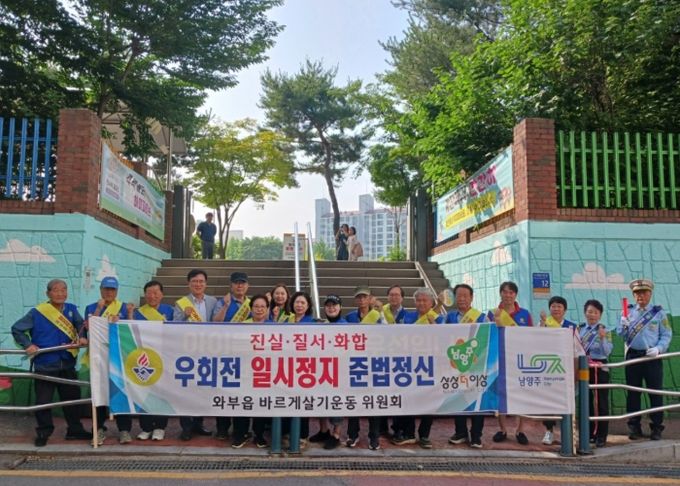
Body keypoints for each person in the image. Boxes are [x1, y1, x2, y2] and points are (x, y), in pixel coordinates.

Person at [11, 279, 91, 447]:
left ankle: (74, 430)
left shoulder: (71, 309)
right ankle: (43, 432)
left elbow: (80, 325)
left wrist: (82, 337)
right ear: (48, 293)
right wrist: (27, 345)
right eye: (56, 290)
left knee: (71, 398)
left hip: (67, 362)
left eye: (63, 290)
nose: (60, 293)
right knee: (43, 401)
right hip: (45, 363)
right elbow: (17, 329)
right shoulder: (37, 312)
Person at [617, 278, 672, 441]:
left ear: (650, 293)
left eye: (644, 292)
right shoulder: (627, 312)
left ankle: (657, 427)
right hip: (633, 356)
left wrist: (659, 349)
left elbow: (666, 334)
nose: (640, 296)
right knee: (633, 393)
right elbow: (621, 335)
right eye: (637, 293)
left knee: (655, 392)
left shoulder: (658, 313)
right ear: (634, 295)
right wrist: (623, 325)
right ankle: (634, 427)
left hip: (651, 356)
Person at [84, 276, 132, 446]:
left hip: (119, 358)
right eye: (106, 289)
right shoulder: (91, 307)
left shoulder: (123, 307)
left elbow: (130, 329)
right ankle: (98, 429)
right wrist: (99, 308)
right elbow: (89, 328)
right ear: (101, 290)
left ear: (117, 291)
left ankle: (124, 430)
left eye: (112, 289)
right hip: (99, 358)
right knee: (99, 393)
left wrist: (127, 315)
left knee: (121, 392)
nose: (109, 292)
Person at [393, 288, 443, 449]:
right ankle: (408, 433)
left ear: (431, 302)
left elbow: (444, 339)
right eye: (418, 300)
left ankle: (424, 435)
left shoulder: (440, 318)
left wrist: (435, 326)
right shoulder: (407, 317)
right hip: (410, 364)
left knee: (429, 401)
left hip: (431, 365)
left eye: (425, 300)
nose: (421, 303)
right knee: (409, 398)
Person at [173, 269, 218, 441]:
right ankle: (186, 427)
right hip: (187, 352)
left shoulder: (213, 301)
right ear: (189, 283)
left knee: (202, 389)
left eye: (201, 281)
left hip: (207, 351)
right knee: (186, 389)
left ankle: (198, 423)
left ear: (205, 284)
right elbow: (173, 326)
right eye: (194, 281)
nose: (198, 284)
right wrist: (184, 317)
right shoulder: (181, 303)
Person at [444, 283, 489, 449]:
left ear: (471, 298)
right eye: (458, 296)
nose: (462, 299)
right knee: (458, 397)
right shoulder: (449, 317)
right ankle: (460, 432)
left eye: (465, 296)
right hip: (455, 365)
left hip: (477, 365)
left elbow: (489, 338)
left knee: (477, 399)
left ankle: (476, 435)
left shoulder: (482, 318)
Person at [129, 280, 174, 442]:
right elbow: (131, 329)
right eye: (149, 293)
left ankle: (160, 427)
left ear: (162, 294)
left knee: (161, 393)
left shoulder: (170, 310)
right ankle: (146, 427)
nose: (152, 296)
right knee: (144, 393)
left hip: (163, 357)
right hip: (144, 358)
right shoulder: (138, 312)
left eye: (156, 292)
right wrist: (129, 314)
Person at [490, 281, 532, 445]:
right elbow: (488, 335)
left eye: (511, 292)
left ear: (515, 295)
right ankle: (502, 429)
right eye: (505, 292)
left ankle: (520, 430)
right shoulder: (493, 313)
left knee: (521, 394)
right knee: (500, 395)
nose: (508, 295)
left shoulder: (525, 314)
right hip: (499, 359)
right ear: (500, 293)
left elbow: (531, 335)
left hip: (519, 360)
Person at [213, 271, 252, 439]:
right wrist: (226, 306)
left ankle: (241, 429)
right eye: (236, 283)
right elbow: (215, 322)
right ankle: (222, 428)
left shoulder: (252, 304)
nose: (240, 286)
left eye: (242, 283)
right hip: (225, 352)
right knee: (223, 391)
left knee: (243, 392)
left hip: (246, 354)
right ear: (231, 285)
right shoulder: (222, 302)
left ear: (247, 286)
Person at [308, 295, 347, 450]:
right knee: (321, 399)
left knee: (336, 402)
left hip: (338, 371)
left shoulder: (345, 325)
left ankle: (336, 434)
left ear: (340, 307)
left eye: (334, 305)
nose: (331, 308)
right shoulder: (321, 325)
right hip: (321, 369)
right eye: (328, 306)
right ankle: (323, 430)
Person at [232, 294, 270, 449]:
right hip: (244, 371)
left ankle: (259, 435)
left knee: (260, 404)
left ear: (267, 309)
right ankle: (240, 434)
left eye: (262, 307)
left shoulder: (274, 327)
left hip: (264, 372)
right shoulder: (242, 326)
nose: (259, 309)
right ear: (251, 308)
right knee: (242, 403)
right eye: (256, 306)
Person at [538, 295, 576, 445]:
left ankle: (568, 432)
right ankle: (549, 431)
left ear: (564, 310)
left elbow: (576, 349)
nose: (556, 309)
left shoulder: (571, 327)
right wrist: (542, 324)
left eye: (559, 306)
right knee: (548, 401)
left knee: (566, 400)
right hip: (548, 367)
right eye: (553, 306)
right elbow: (537, 341)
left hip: (565, 369)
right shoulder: (544, 323)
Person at [578, 299, 612, 448]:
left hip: (599, 368)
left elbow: (607, 351)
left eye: (595, 312)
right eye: (589, 311)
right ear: (585, 313)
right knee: (586, 401)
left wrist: (603, 337)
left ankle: (601, 435)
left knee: (601, 403)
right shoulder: (580, 329)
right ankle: (589, 433)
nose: (592, 315)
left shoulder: (604, 330)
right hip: (584, 368)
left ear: (600, 315)